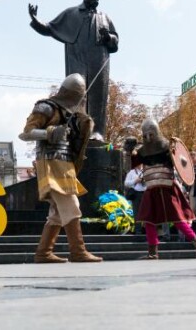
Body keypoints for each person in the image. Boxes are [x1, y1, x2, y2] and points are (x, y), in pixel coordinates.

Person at [19, 73, 102, 263]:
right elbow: (25, 134)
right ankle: (77, 251)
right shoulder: (46, 107)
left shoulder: (74, 114)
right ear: (66, 92)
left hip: (66, 164)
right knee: (71, 206)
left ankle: (43, 253)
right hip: (50, 162)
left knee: (57, 213)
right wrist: (50, 132)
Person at [28, 0, 118, 139]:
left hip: (98, 61)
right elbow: (50, 28)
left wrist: (108, 37)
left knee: (98, 95)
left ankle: (97, 132)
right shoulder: (71, 13)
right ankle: (76, 131)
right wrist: (35, 20)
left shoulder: (105, 17)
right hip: (77, 58)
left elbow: (115, 40)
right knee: (75, 93)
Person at [126, 119, 196, 259]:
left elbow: (181, 162)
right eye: (145, 135)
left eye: (151, 134)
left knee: (177, 219)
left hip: (167, 187)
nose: (148, 138)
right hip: (151, 188)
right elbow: (132, 165)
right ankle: (152, 253)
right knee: (149, 221)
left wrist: (174, 151)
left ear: (156, 132)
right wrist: (128, 151)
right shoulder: (142, 151)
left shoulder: (166, 146)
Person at [124, 163, 146, 236]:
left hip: (145, 193)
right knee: (137, 213)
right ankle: (138, 231)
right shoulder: (132, 172)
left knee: (147, 212)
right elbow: (126, 183)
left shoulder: (146, 171)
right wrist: (135, 181)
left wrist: (144, 181)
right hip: (136, 194)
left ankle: (146, 230)